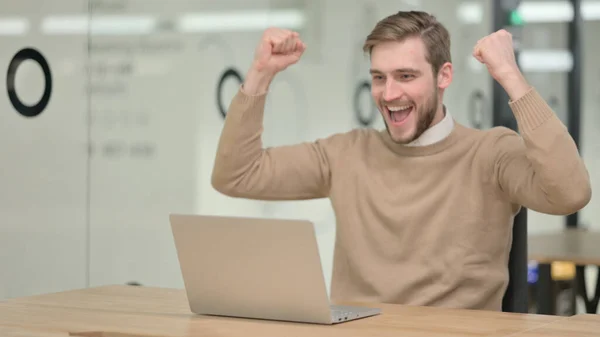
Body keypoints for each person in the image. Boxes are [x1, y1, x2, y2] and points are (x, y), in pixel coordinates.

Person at [210, 11, 591, 311]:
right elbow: (236, 176)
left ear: (444, 76)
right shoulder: (345, 154)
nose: (389, 93)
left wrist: (510, 75)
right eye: (379, 77)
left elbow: (571, 193)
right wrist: (260, 75)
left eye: (406, 76)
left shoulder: (490, 153)